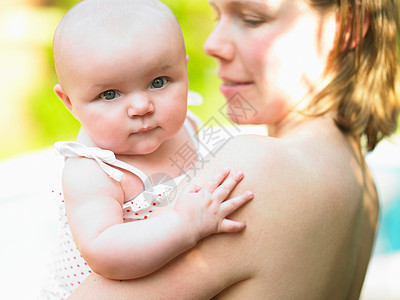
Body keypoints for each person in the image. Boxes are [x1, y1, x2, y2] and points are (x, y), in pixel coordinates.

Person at [69, 0, 400, 299]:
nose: (212, 45)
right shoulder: (358, 178)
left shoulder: (256, 170)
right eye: (217, 14)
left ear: (348, 27)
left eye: (253, 19)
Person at [39, 0, 254, 298]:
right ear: (69, 103)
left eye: (158, 82)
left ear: (185, 70)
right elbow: (104, 252)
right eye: (109, 94)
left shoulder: (185, 126)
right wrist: (184, 225)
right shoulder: (93, 171)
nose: (141, 106)